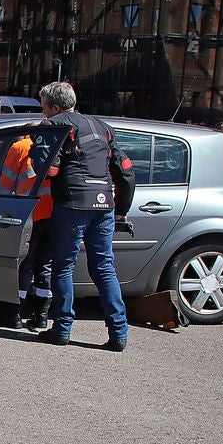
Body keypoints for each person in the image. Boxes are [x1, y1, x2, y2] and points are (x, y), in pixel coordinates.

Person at [35, 81, 135, 351]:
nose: (42, 112)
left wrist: (38, 146)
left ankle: (62, 329)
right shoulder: (102, 127)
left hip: (72, 204)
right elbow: (125, 171)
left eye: (43, 107)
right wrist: (121, 210)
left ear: (55, 107)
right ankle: (119, 333)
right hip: (105, 205)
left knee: (63, 265)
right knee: (104, 267)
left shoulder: (53, 125)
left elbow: (48, 170)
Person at [0, 134, 53, 329]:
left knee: (24, 264)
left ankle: (14, 314)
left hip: (30, 213)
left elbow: (5, 186)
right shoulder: (56, 144)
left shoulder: (20, 147)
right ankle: (42, 315)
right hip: (54, 214)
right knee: (45, 264)